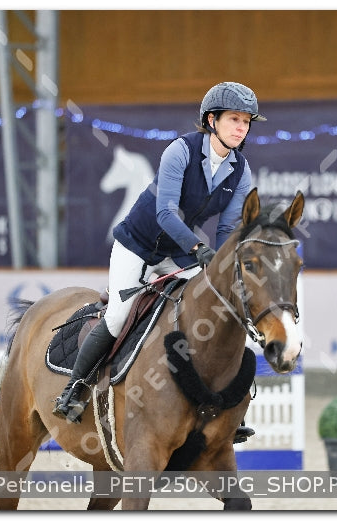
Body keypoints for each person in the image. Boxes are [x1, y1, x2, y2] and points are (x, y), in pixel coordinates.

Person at [53, 82, 265, 442]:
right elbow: (166, 213)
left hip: (180, 252)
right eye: (234, 119)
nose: (241, 127)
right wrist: (200, 250)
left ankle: (224, 403)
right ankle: (74, 388)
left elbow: (229, 226)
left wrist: (221, 262)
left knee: (217, 308)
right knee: (119, 316)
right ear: (211, 120)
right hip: (137, 244)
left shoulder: (239, 169)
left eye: (246, 121)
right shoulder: (180, 151)